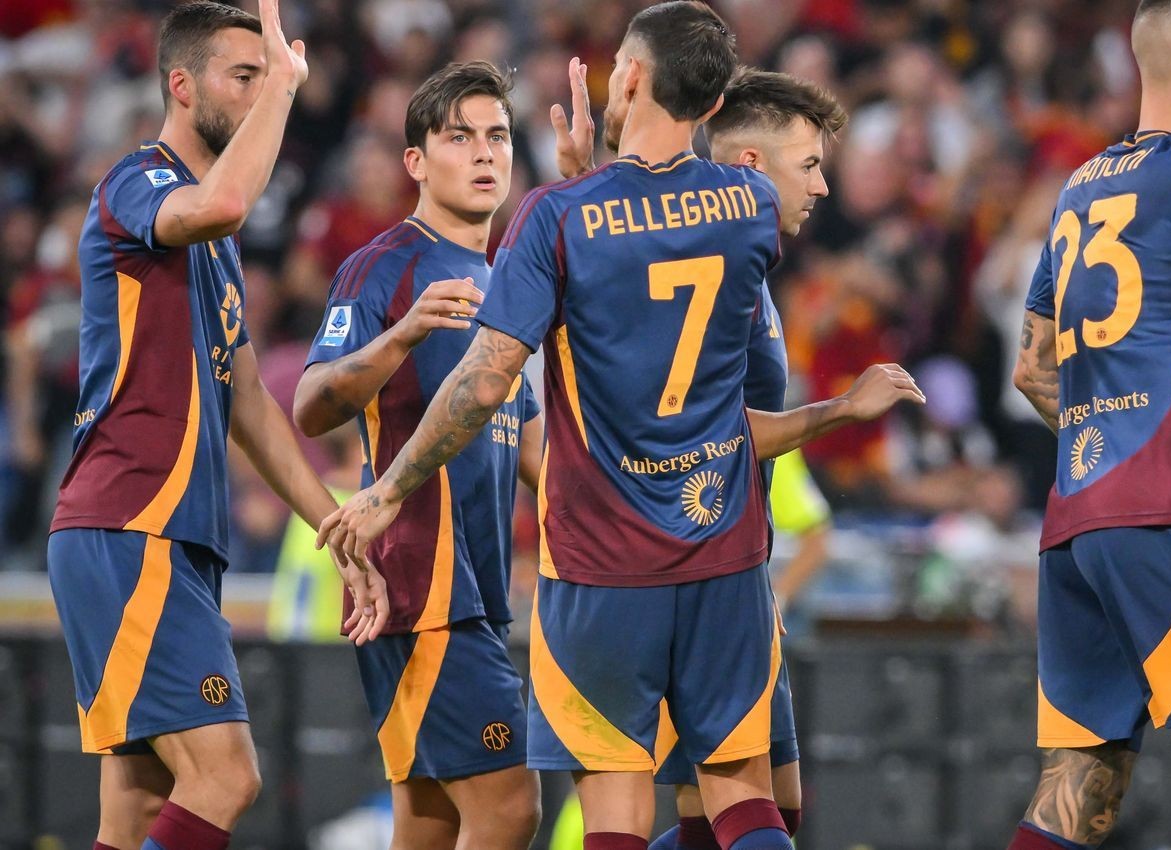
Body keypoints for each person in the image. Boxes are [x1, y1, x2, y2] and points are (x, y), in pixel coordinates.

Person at [319, 4, 922, 849]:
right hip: (722, 558)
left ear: (630, 76)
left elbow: (487, 381)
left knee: (614, 820)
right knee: (749, 804)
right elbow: (681, 273)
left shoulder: (555, 216)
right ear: (714, 106)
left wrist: (389, 489)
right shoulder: (751, 206)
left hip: (601, 568)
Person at [44, 3, 388, 849]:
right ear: (181, 84)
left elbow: (250, 403)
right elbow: (228, 200)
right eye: (243, 76)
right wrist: (288, 85)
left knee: (137, 808)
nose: (260, 89)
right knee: (227, 777)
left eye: (263, 76)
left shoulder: (215, 245)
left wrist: (335, 529)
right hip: (131, 522)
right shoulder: (138, 183)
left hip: (171, 536)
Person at [293, 61, 544, 850]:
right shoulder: (386, 264)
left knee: (430, 822)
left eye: (497, 136)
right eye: (459, 137)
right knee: (509, 806)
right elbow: (311, 406)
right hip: (420, 580)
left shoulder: (507, 283)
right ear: (416, 161)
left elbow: (534, 450)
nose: (484, 152)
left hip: (476, 588)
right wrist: (400, 335)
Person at [1010, 2, 1171, 848]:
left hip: (1078, 523)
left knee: (1076, 789)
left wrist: (1108, 436)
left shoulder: (1080, 187)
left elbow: (1032, 370)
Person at [642, 66, 847, 850]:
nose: (821, 186)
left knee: (762, 812)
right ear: (752, 167)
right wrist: (841, 410)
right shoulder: (712, 267)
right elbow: (702, 432)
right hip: (693, 569)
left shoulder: (748, 267)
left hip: (733, 567)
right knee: (743, 809)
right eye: (809, 166)